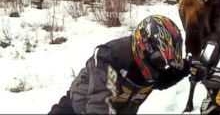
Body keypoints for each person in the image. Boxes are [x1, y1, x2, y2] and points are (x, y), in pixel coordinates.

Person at [49, 15, 190, 114]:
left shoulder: (151, 67)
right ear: (145, 46)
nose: (161, 66)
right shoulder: (110, 58)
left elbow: (158, 81)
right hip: (75, 109)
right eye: (159, 59)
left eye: (164, 62)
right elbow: (100, 103)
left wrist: (186, 69)